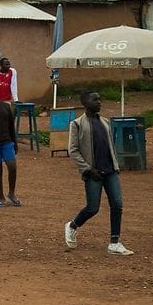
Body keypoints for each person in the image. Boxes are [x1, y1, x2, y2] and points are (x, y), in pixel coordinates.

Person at [64, 91, 133, 256]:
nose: (99, 102)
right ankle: (72, 226)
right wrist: (87, 169)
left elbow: (110, 147)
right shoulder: (77, 124)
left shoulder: (105, 122)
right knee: (92, 208)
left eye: (100, 99)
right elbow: (73, 150)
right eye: (95, 99)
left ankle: (114, 243)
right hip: (93, 173)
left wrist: (115, 166)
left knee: (117, 204)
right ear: (85, 102)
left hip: (110, 171)